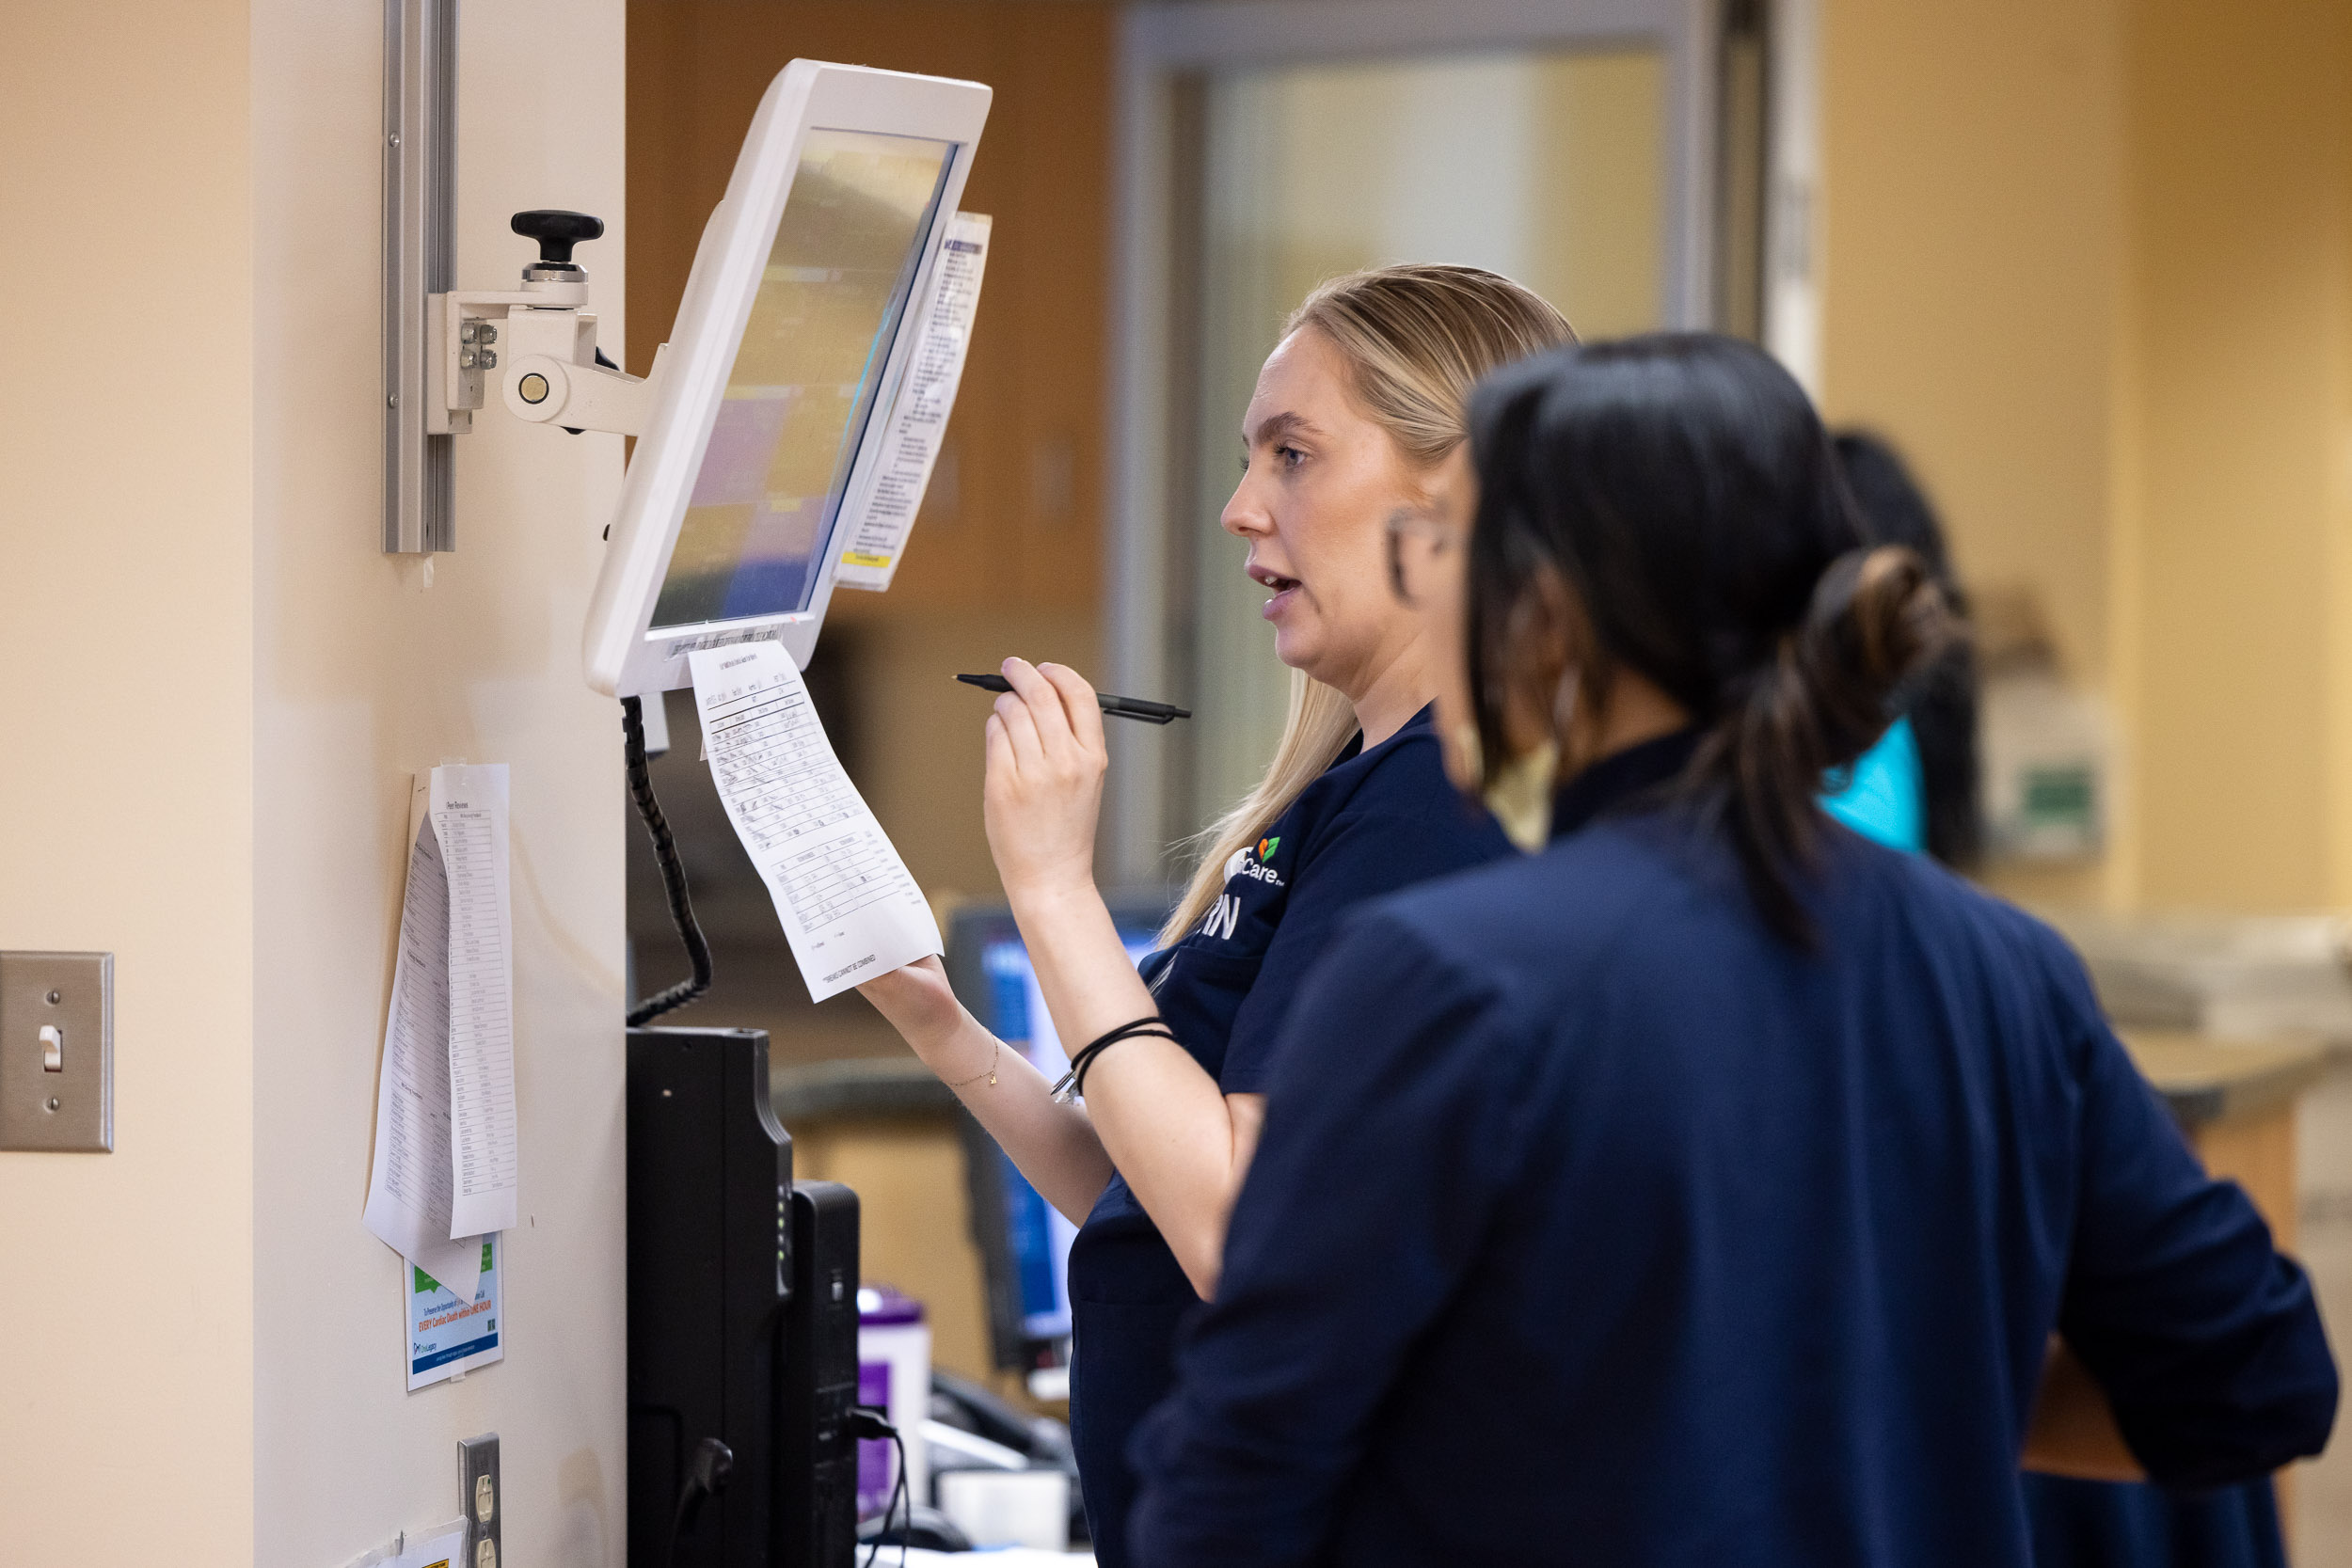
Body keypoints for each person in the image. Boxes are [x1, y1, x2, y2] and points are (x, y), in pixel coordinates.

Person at [1128, 335, 2336, 1567]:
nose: (1429, 597)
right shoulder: (2004, 974)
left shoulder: (1446, 980)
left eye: (1447, 556)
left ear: (1548, 615)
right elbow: (2253, 1382)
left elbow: (1223, 1512)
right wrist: (1876, 1405)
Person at [854, 265, 1575, 1563]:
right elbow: (1147, 1186)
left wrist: (1054, 890)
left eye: (1294, 455)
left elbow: (1245, 1232)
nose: (1242, 509)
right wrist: (945, 1027)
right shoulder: (1358, 795)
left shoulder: (1440, 809)